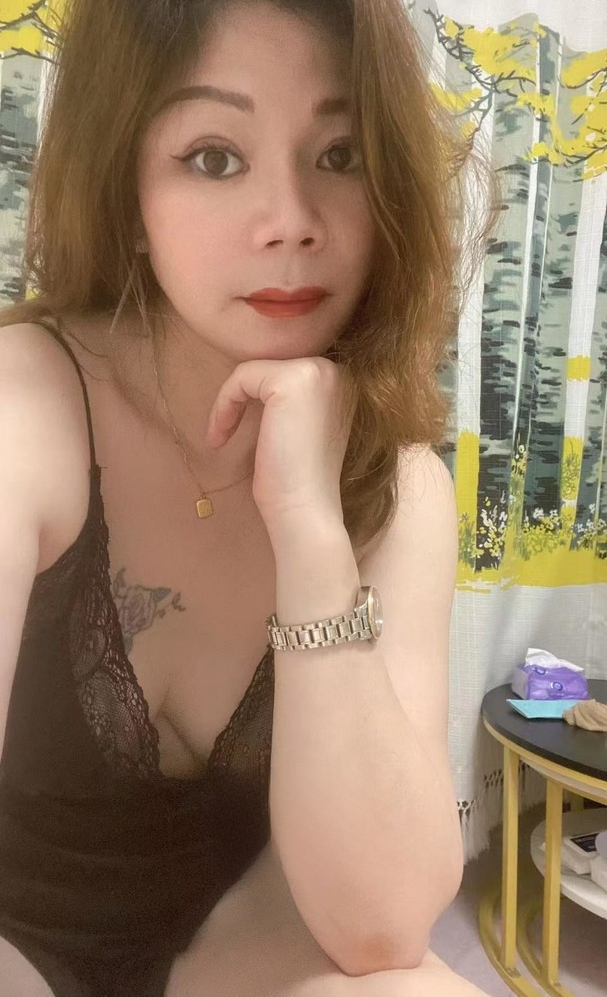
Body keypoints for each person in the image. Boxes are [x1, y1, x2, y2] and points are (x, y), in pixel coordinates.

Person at [0, 0, 497, 994]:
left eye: (340, 155)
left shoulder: (396, 485)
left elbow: (382, 923)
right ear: (127, 191)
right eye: (215, 157)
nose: (292, 222)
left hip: (229, 954)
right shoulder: (26, 406)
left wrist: (309, 529)